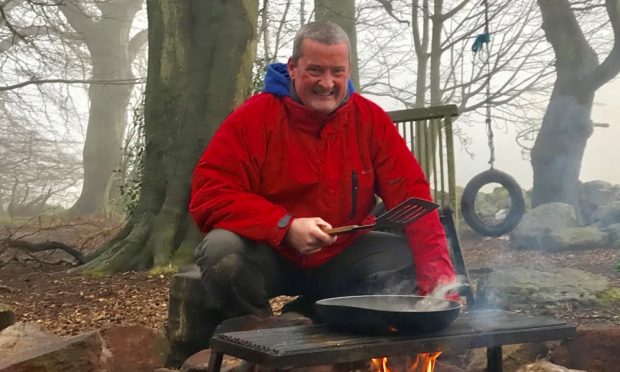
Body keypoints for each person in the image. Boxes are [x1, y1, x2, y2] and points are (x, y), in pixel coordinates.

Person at [189, 21, 456, 335]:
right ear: (292, 67)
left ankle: (309, 315)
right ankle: (260, 332)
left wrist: (441, 291)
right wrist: (283, 226)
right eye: (315, 70)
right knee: (220, 251)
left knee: (403, 255)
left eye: (337, 72)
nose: (327, 83)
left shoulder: (370, 121)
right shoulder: (253, 118)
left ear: (348, 71)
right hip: (268, 255)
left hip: (341, 256)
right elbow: (209, 193)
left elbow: (415, 202)